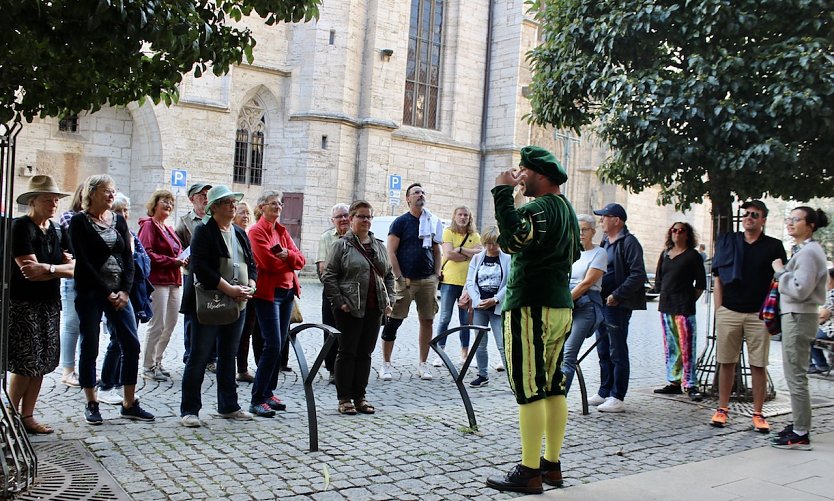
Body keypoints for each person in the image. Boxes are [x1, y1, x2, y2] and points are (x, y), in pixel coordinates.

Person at [485, 146, 580, 494]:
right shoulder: (567, 210)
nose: (519, 175)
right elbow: (573, 252)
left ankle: (529, 470)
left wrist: (502, 192)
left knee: (529, 389)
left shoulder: (540, 207)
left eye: (523, 170)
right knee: (553, 386)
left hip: (530, 305)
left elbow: (513, 240)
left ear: (539, 174)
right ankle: (551, 464)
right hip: (559, 305)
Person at [69, 174, 155, 424]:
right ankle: (91, 402)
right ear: (92, 193)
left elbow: (128, 258)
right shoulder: (79, 222)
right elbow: (83, 262)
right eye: (106, 191)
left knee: (131, 343)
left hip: (120, 292)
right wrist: (107, 291)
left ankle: (129, 402)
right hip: (91, 292)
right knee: (90, 345)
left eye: (113, 191)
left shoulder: (117, 220)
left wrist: (125, 291)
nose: (111, 195)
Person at [180, 185, 257, 427]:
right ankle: (190, 410)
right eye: (227, 203)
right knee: (199, 356)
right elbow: (201, 268)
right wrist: (231, 289)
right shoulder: (203, 231)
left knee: (228, 356)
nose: (233, 206)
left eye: (234, 202)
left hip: (238, 304)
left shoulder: (239, 232)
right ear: (213, 208)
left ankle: (229, 406)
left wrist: (251, 286)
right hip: (210, 304)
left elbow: (251, 264)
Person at [710, 200, 786, 431]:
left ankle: (758, 413)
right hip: (730, 311)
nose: (749, 217)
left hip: (758, 314)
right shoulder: (729, 242)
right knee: (726, 362)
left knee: (758, 364)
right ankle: (722, 409)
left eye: (755, 214)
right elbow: (717, 277)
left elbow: (780, 277)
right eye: (746, 214)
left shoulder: (773, 246)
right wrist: (719, 309)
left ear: (763, 219)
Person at [8, 175, 74, 434]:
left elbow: (74, 268)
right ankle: (10, 417)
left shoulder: (57, 229)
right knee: (26, 363)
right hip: (23, 304)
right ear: (32, 201)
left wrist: (48, 268)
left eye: (56, 199)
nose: (54, 204)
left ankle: (27, 416)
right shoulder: (20, 227)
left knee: (43, 362)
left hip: (49, 302)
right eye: (48, 199)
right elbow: (28, 271)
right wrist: (60, 268)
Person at [322, 200, 395, 415]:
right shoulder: (341, 245)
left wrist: (389, 299)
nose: (366, 220)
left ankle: (360, 396)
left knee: (365, 353)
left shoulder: (378, 246)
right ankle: (344, 398)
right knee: (347, 352)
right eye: (361, 216)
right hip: (349, 308)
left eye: (369, 217)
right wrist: (340, 301)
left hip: (374, 307)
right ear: (351, 219)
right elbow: (329, 275)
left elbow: (389, 275)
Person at [770, 206, 828, 449]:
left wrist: (780, 272)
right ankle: (798, 424)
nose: (790, 223)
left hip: (798, 316)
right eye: (789, 219)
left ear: (810, 224)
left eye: (796, 219)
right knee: (795, 373)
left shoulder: (808, 253)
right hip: (797, 316)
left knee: (796, 375)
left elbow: (800, 289)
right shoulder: (807, 250)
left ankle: (801, 431)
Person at [248, 190, 306, 417]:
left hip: (287, 292)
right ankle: (257, 397)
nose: (278, 207)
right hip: (268, 294)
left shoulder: (281, 231)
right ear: (262, 207)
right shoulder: (256, 232)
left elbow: (301, 260)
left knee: (280, 344)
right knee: (271, 344)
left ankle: (268, 392)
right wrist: (288, 259)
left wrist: (288, 257)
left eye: (280, 204)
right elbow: (268, 264)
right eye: (273, 204)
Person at [379, 182, 443, 381]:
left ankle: (423, 364)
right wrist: (398, 276)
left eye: (422, 192)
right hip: (405, 280)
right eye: (416, 192)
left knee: (427, 320)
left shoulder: (431, 221)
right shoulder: (400, 222)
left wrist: (437, 273)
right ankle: (386, 364)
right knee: (395, 321)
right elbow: (391, 251)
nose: (420, 195)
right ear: (408, 199)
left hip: (428, 280)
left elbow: (436, 249)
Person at [588, 203, 647, 413]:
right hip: (602, 302)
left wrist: (617, 295)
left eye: (605, 216)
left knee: (617, 350)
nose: (602, 220)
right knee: (603, 349)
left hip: (617, 305)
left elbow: (638, 274)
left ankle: (617, 395)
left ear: (617, 220)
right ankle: (605, 390)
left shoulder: (629, 243)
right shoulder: (605, 241)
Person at [98, 193, 154, 406]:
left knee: (129, 341)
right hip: (113, 293)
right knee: (116, 341)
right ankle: (106, 385)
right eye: (118, 211)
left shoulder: (131, 235)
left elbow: (141, 265)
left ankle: (122, 385)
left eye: (125, 211)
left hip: (132, 293)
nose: (122, 215)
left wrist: (127, 287)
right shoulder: (108, 236)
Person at [652, 222, 706, 401]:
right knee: (671, 346)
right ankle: (674, 382)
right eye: (674, 230)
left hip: (684, 308)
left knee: (687, 346)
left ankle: (691, 384)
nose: (677, 233)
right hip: (666, 307)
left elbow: (700, 285)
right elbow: (659, 279)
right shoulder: (665, 254)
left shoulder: (693, 256)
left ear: (687, 235)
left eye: (681, 230)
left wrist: (688, 300)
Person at [138, 189, 185, 382]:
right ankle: (148, 365)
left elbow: (178, 250)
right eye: (164, 201)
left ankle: (158, 361)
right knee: (157, 323)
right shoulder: (149, 225)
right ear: (154, 204)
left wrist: (183, 259)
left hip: (174, 279)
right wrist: (170, 261)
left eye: (171, 202)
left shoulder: (169, 228)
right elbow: (145, 252)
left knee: (171, 323)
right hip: (158, 280)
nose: (168, 205)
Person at [561, 214, 607, 394]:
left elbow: (587, 283)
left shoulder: (599, 253)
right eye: (577, 229)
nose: (580, 233)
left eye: (585, 229)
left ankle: (559, 401)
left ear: (593, 232)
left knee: (568, 354)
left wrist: (564, 301)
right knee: (553, 353)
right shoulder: (569, 251)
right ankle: (550, 395)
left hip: (585, 306)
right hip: (565, 305)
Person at [435, 206, 483, 366]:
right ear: (454, 216)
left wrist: (461, 249)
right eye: (460, 214)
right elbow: (448, 254)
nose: (463, 217)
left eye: (466, 215)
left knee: (465, 321)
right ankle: (439, 351)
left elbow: (480, 253)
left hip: (467, 283)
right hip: (449, 281)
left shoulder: (475, 235)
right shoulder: (448, 232)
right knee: (445, 318)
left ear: (470, 218)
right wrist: (468, 254)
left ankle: (465, 353)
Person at [464, 225, 509, 388]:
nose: (492, 247)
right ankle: (482, 374)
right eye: (489, 243)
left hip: (497, 307)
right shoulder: (477, 258)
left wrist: (496, 299)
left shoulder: (507, 259)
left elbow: (510, 283)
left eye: (495, 243)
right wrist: (477, 301)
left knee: (503, 344)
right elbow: (470, 281)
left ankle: (513, 380)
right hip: (480, 307)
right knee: (480, 343)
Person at [175, 182, 211, 365]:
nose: (205, 197)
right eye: (201, 195)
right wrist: (183, 257)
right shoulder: (184, 221)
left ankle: (211, 357)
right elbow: (177, 247)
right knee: (191, 314)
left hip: (213, 273)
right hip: (192, 273)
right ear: (192, 199)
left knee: (213, 312)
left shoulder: (214, 217)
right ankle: (190, 354)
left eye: (207, 194)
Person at [316, 203, 351, 383]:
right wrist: (335, 292)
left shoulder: (358, 238)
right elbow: (322, 268)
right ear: (333, 220)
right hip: (331, 292)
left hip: (353, 293)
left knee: (350, 331)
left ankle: (349, 367)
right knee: (331, 330)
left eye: (346, 215)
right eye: (339, 216)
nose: (344, 219)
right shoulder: (327, 238)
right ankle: (332, 369)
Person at [58, 183, 84, 387]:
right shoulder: (70, 216)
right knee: (71, 323)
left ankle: (85, 370)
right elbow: (76, 246)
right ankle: (68, 370)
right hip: (73, 275)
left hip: (93, 278)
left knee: (88, 325)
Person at [233, 201, 257, 383]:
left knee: (246, 330)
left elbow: (252, 265)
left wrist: (251, 283)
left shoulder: (247, 235)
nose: (245, 216)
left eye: (247, 213)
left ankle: (242, 368)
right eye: (242, 212)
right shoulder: (231, 234)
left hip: (249, 289)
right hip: (231, 289)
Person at [809, 268, 834, 374]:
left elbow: (824, 314)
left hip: (831, 329)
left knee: (807, 336)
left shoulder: (832, 294)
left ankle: (818, 365)